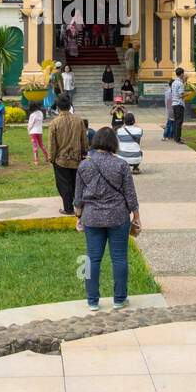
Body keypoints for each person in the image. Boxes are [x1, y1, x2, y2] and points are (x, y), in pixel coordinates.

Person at [73, 125, 141, 311]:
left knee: (91, 259)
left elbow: (78, 196)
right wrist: (136, 217)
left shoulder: (85, 165)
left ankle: (92, 300)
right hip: (118, 217)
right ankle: (119, 299)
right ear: (114, 143)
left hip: (92, 217)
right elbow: (130, 195)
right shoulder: (121, 165)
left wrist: (78, 217)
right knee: (119, 258)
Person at [46, 93, 88, 214]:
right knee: (77, 184)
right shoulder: (79, 121)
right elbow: (84, 142)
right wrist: (85, 157)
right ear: (70, 106)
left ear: (57, 108)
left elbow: (52, 145)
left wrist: (52, 158)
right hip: (77, 159)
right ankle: (79, 208)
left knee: (63, 185)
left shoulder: (54, 123)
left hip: (61, 160)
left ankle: (68, 208)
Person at [170, 67, 187, 143]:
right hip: (179, 104)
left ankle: (175, 137)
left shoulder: (173, 83)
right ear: (182, 74)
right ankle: (178, 139)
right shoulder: (180, 83)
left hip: (174, 103)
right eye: (183, 73)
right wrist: (187, 94)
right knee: (179, 122)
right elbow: (180, 95)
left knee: (176, 121)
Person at [27, 101, 46, 165]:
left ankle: (36, 160)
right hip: (40, 131)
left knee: (35, 145)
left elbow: (30, 124)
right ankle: (47, 157)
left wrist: (28, 130)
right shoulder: (41, 113)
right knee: (41, 144)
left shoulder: (32, 115)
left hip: (33, 132)